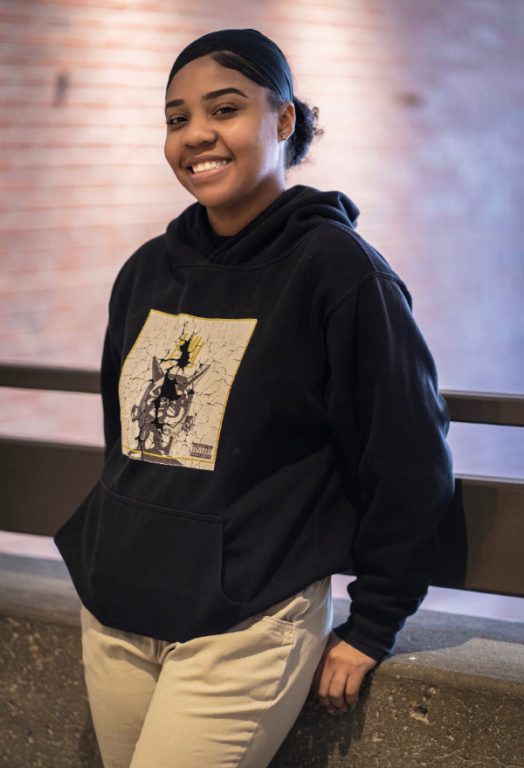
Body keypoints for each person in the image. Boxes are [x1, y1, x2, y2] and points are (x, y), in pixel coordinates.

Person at [54, 28, 454, 768]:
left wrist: (374, 623)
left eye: (224, 108)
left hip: (245, 627)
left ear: (283, 120)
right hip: (116, 614)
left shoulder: (340, 272)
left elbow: (407, 455)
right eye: (177, 118)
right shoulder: (146, 270)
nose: (196, 134)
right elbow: (127, 442)